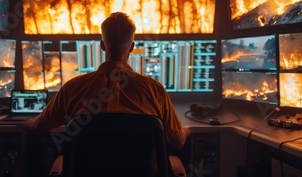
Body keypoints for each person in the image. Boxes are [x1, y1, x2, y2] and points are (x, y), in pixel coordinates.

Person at [22, 12, 189, 150]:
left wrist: (30, 124)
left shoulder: (72, 88)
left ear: (102, 45)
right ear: (131, 47)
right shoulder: (155, 90)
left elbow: (39, 128)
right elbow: (178, 142)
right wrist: (186, 131)